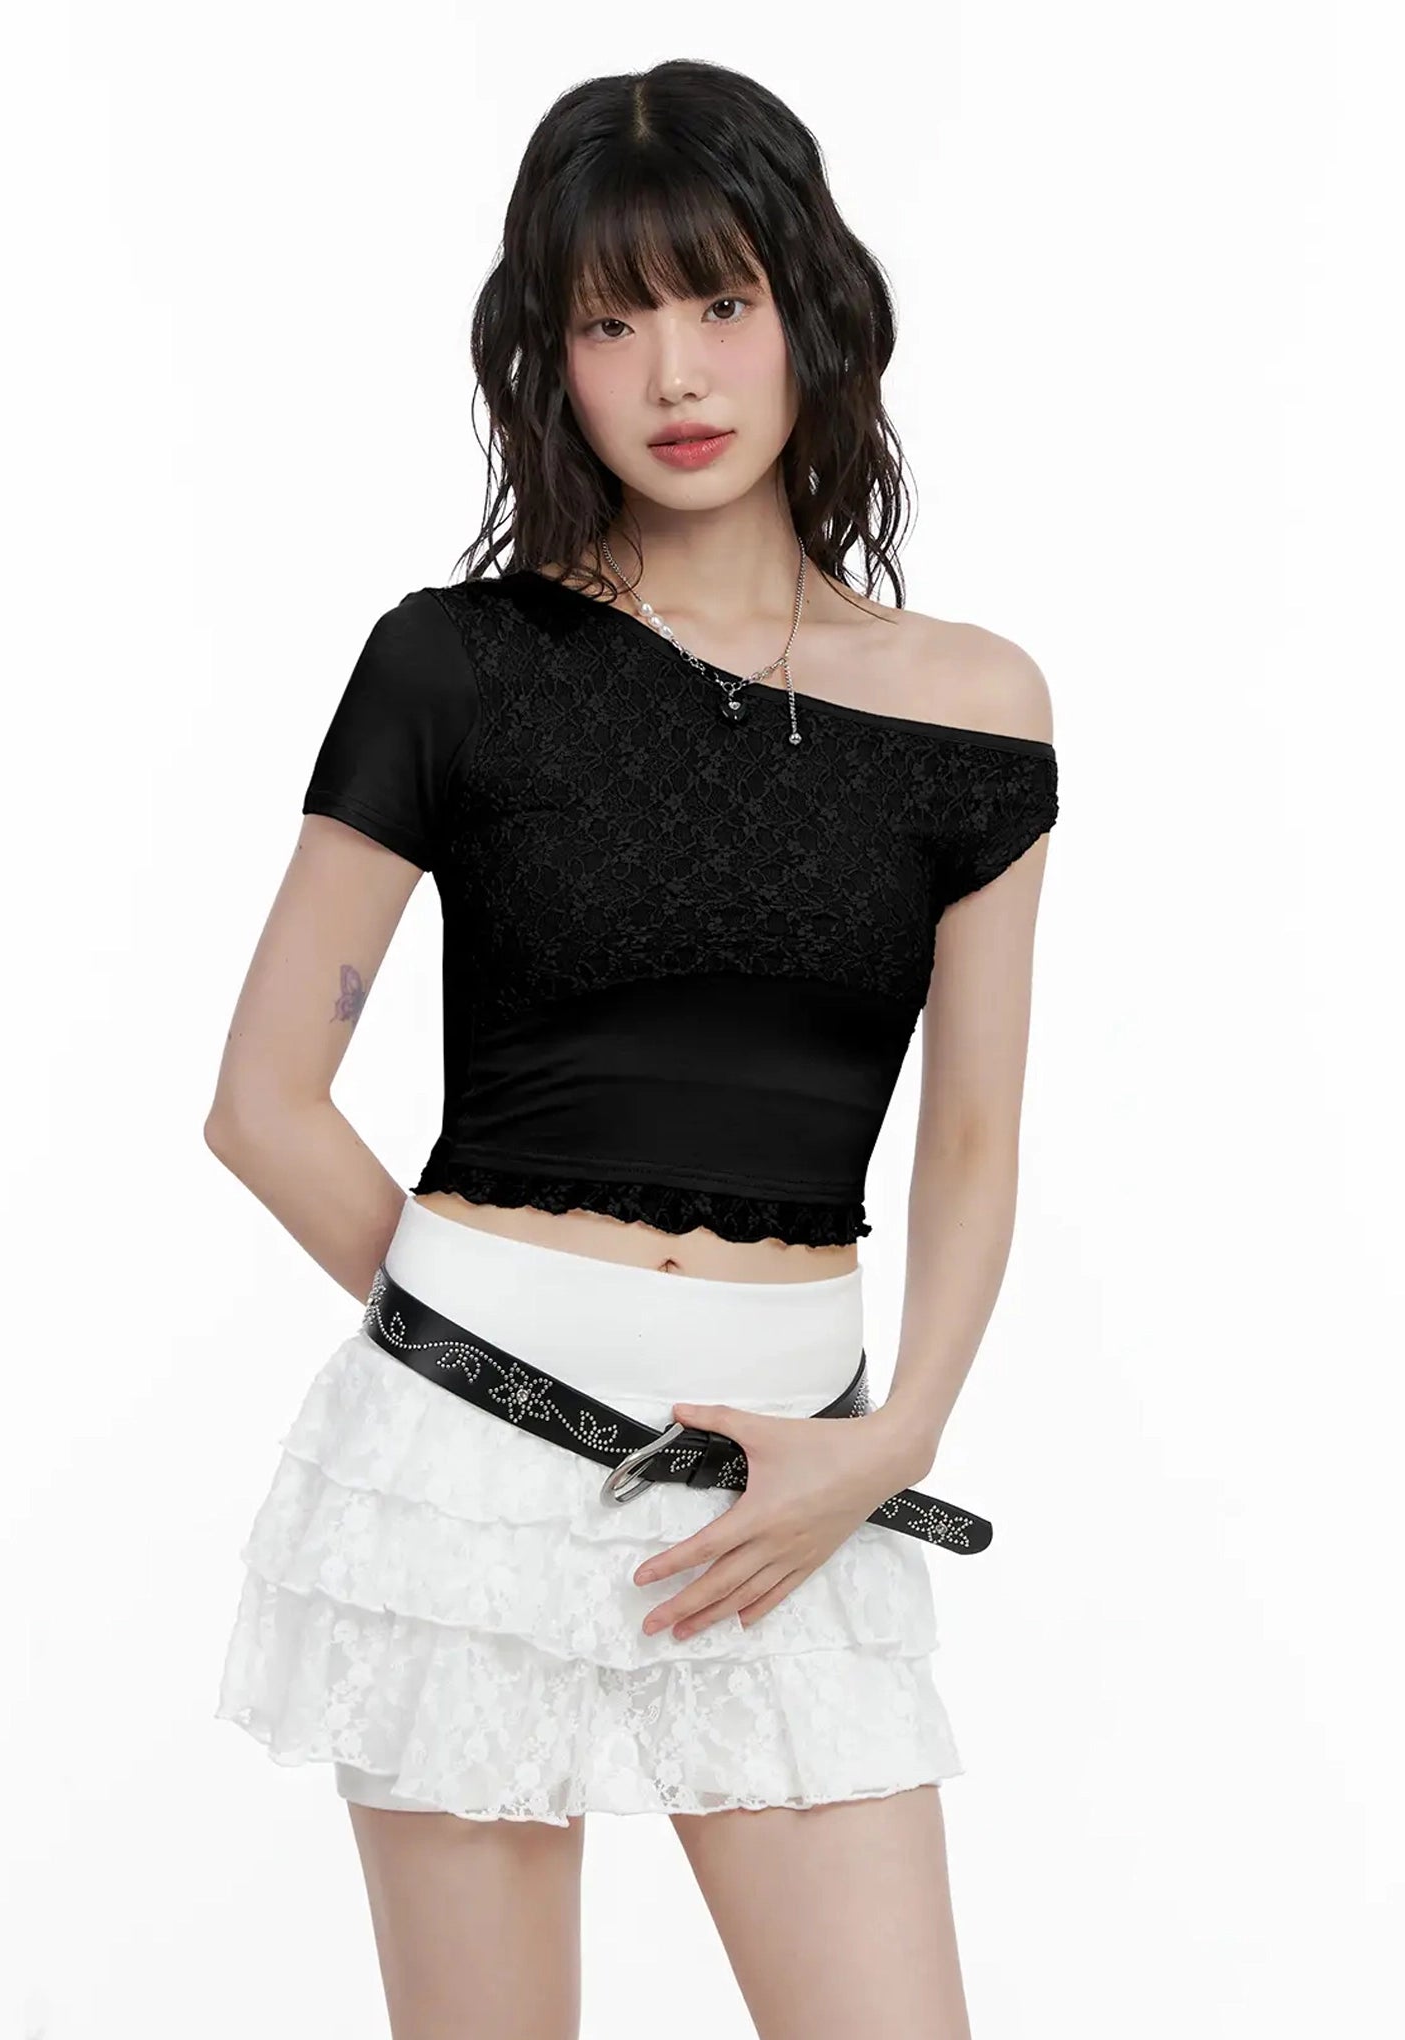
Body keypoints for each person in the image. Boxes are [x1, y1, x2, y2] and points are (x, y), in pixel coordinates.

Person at [205, 56, 1058, 2040]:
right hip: (462, 1473)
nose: (675, 371)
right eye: (610, 323)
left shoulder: (977, 709)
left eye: (721, 302)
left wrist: (899, 1439)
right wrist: (501, 1373)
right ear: (550, 361)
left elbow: (972, 1135)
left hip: (803, 1482)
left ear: (812, 314)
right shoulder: (455, 665)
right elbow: (262, 1102)